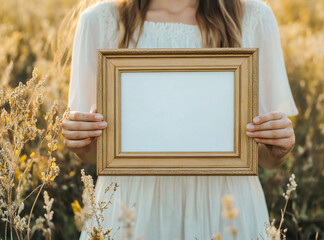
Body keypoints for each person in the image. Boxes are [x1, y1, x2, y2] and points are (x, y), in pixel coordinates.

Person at [61, 0, 298, 238]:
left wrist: (277, 148)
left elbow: (264, 157)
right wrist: (82, 143)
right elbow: (94, 153)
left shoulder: (254, 19)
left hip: (225, 207)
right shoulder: (99, 22)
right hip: (132, 208)